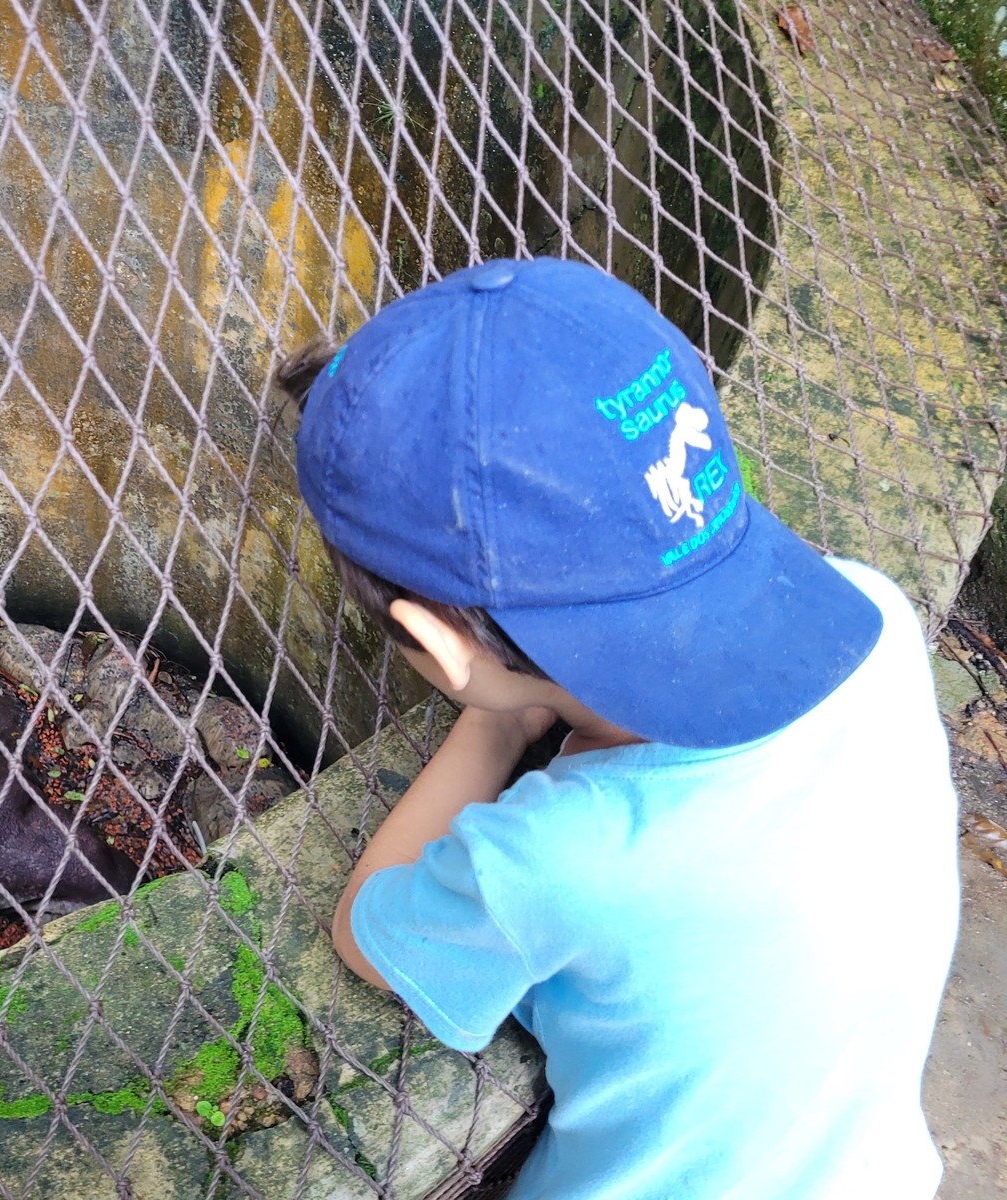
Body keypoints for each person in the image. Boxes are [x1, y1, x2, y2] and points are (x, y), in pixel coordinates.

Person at [280, 258, 959, 1198]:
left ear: (432, 639)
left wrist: (495, 723)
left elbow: (369, 935)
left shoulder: (559, 856)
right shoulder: (877, 621)